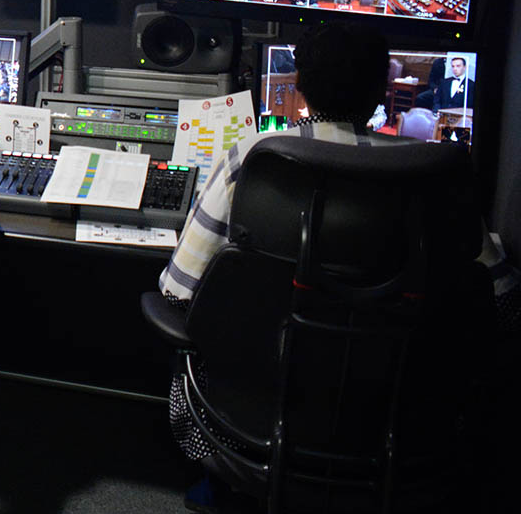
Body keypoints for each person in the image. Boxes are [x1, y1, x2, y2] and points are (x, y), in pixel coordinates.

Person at [158, 23, 517, 467]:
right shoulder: (435, 172)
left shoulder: (254, 157)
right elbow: (502, 299)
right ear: (379, 92)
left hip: (256, 416)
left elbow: (177, 288)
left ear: (301, 87)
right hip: (399, 427)